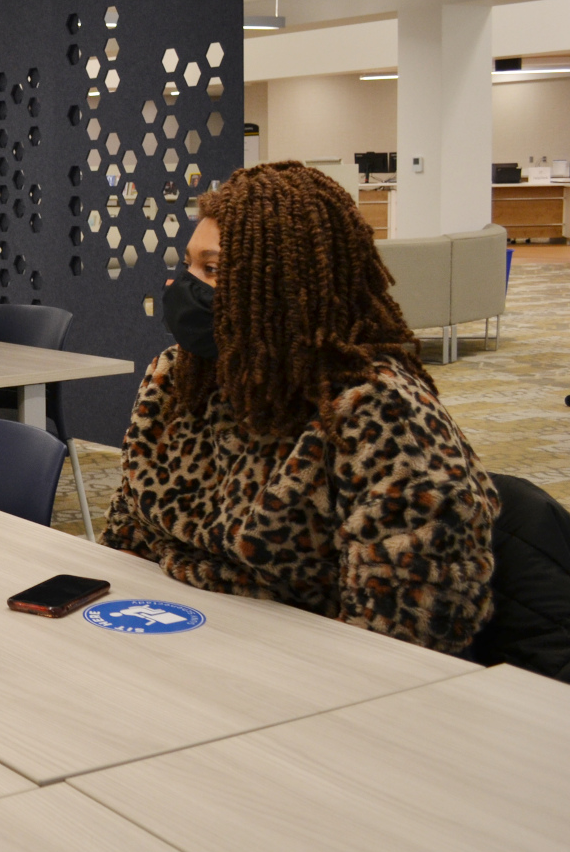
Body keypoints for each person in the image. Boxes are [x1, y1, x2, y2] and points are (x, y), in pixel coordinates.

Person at [102, 161, 496, 654]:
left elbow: (404, 630)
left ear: (288, 288)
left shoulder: (378, 414)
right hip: (171, 632)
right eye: (189, 266)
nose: (185, 288)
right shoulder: (178, 378)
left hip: (297, 664)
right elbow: (127, 534)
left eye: (214, 270)